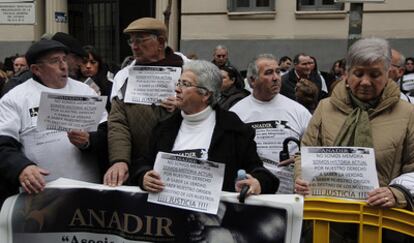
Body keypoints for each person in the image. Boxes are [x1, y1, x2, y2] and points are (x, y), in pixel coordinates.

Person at [294, 37, 414, 242]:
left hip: (384, 223)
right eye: (358, 74)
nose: (365, 82)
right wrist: (301, 178)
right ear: (347, 74)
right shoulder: (325, 107)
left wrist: (397, 193)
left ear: (388, 74)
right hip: (327, 222)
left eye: (374, 74)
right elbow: (304, 153)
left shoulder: (407, 112)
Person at [133, 60, 279, 195]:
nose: (177, 89)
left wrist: (257, 183)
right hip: (169, 216)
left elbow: (260, 172)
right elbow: (143, 163)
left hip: (214, 218)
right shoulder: (164, 127)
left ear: (206, 95)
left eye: (185, 84)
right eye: (179, 82)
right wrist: (144, 176)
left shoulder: (233, 129)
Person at [0, 39, 108, 206]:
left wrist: (88, 141)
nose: (63, 66)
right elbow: (3, 145)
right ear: (36, 69)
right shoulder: (15, 99)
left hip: (87, 192)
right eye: (54, 61)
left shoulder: (85, 91)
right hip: (40, 198)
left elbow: (107, 132)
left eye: (64, 59)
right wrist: (22, 168)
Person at [104, 17, 184, 186]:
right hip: (139, 170)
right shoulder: (124, 76)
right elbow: (118, 122)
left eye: (140, 40)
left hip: (181, 170)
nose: (134, 46)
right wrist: (120, 160)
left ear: (161, 41)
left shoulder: (188, 71)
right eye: (131, 41)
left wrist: (185, 106)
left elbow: (209, 111)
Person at [230, 54, 311, 193]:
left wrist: (299, 160)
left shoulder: (298, 111)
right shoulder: (236, 113)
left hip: (289, 192)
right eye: (268, 73)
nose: (276, 78)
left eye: (278, 72)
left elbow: (314, 148)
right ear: (252, 80)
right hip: (251, 193)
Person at [80, 45, 114, 111]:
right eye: (84, 62)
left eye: (93, 62)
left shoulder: (108, 82)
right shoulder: (71, 81)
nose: (88, 66)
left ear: (99, 64)